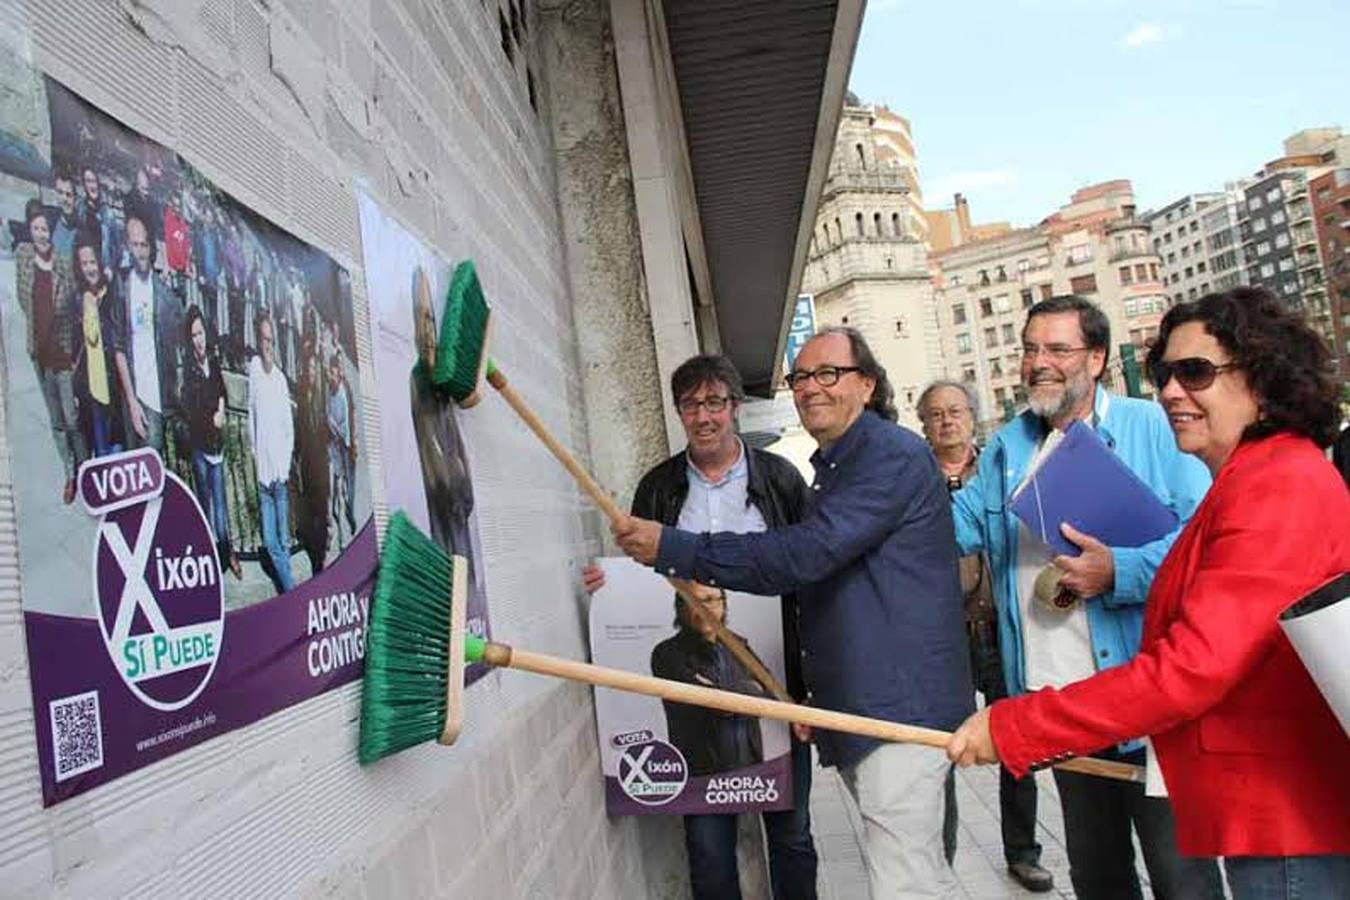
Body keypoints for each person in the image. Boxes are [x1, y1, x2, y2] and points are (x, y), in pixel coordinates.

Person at [948, 287, 1350, 899]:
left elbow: (1191, 667)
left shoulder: (1278, 484)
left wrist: (1016, 726)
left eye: (1196, 373)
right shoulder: (1250, 475)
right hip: (1256, 801)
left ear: (1264, 379)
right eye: (1165, 373)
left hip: (1284, 813)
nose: (1169, 391)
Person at [615, 328, 971, 900]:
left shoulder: (886, 456)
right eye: (800, 377)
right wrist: (820, 697)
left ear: (868, 384)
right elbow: (837, 589)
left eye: (828, 373)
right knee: (915, 871)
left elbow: (805, 556)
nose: (810, 388)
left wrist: (676, 547)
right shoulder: (835, 466)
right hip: (860, 705)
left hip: (899, 710)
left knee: (907, 880)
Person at [948, 295, 1221, 900]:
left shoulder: (1153, 428)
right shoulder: (1008, 446)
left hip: (1148, 705)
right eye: (1029, 349)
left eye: (1057, 349)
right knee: (1098, 877)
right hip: (1062, 704)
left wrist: (1117, 571)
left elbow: (1202, 541)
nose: (1038, 363)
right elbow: (957, 525)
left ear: (1097, 358)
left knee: (1182, 876)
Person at [587, 353, 819, 900]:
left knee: (793, 836)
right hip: (694, 719)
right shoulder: (660, 489)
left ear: (736, 408)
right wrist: (608, 586)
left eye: (716, 402)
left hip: (780, 684)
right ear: (679, 413)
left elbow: (813, 570)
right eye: (692, 404)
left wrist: (812, 686)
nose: (705, 416)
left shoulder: (781, 481)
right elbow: (641, 580)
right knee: (709, 849)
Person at [917, 380, 1051, 893]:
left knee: (1017, 743)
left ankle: (1023, 852)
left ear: (973, 417)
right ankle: (941, 856)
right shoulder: (915, 479)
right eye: (936, 414)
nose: (947, 421)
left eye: (955, 411)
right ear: (923, 423)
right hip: (943, 636)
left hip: (1002, 629)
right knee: (937, 749)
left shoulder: (1000, 469)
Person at [651, 591, 766, 776]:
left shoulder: (738, 646)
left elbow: (767, 692)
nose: (704, 607)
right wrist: (749, 689)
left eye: (711, 600)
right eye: (694, 601)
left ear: (723, 605)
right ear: (681, 608)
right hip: (699, 776)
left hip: (750, 776)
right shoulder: (667, 654)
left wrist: (729, 693)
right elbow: (710, 702)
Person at [15, 200, 84, 504]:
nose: (42, 234)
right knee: (56, 420)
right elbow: (22, 298)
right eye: (37, 229)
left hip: (63, 355)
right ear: (30, 231)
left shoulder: (64, 263)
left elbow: (73, 308)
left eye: (45, 229)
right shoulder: (24, 256)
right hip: (39, 355)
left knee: (71, 417)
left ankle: (85, 467)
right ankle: (70, 473)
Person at [409, 268, 478, 566]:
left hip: (459, 490)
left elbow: (456, 435)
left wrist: (463, 470)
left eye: (431, 321)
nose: (427, 330)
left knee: (467, 566)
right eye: (420, 320)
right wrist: (445, 472)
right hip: (440, 491)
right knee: (451, 564)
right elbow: (426, 439)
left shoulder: (446, 375)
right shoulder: (418, 377)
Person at [180, 305, 242, 579]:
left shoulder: (213, 363)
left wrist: (221, 407)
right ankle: (210, 560)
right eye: (194, 335)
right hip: (201, 450)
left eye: (201, 333)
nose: (199, 339)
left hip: (217, 447)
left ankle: (227, 552)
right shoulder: (190, 373)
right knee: (206, 505)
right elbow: (191, 413)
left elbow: (222, 393)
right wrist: (212, 419)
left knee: (222, 506)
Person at [118, 216, 181, 452]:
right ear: (127, 247)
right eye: (135, 245)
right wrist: (132, 401)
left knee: (156, 470)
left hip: (159, 400)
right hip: (136, 399)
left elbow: (180, 333)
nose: (140, 252)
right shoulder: (123, 290)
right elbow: (119, 349)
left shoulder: (163, 292)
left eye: (144, 245)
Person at [247, 312, 295, 594]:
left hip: (279, 475)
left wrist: (285, 466)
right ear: (258, 340)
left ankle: (289, 592)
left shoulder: (280, 380)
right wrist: (255, 456)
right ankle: (292, 592)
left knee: (284, 542)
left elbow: (288, 428)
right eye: (264, 339)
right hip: (263, 475)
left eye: (272, 341)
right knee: (271, 540)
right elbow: (251, 419)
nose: (268, 346)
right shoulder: (253, 370)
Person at [71, 237, 131, 459]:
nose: (89, 268)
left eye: (92, 262)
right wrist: (88, 308)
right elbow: (87, 341)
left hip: (116, 387)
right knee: (102, 453)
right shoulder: (78, 300)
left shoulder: (113, 294)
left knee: (119, 451)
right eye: (84, 264)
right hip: (92, 391)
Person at [294, 320, 330, 575]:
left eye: (313, 369)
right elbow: (300, 429)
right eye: (308, 369)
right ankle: (317, 557)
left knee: (320, 513)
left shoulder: (321, 398)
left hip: (321, 469)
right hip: (308, 466)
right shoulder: (303, 397)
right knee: (312, 516)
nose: (310, 373)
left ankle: (320, 560)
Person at [328, 352, 357, 540]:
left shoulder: (345, 391)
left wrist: (351, 440)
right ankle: (342, 532)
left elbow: (350, 418)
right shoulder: (329, 391)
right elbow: (328, 415)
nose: (331, 375)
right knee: (339, 484)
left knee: (350, 484)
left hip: (346, 443)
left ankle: (350, 513)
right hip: (336, 445)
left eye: (334, 371)